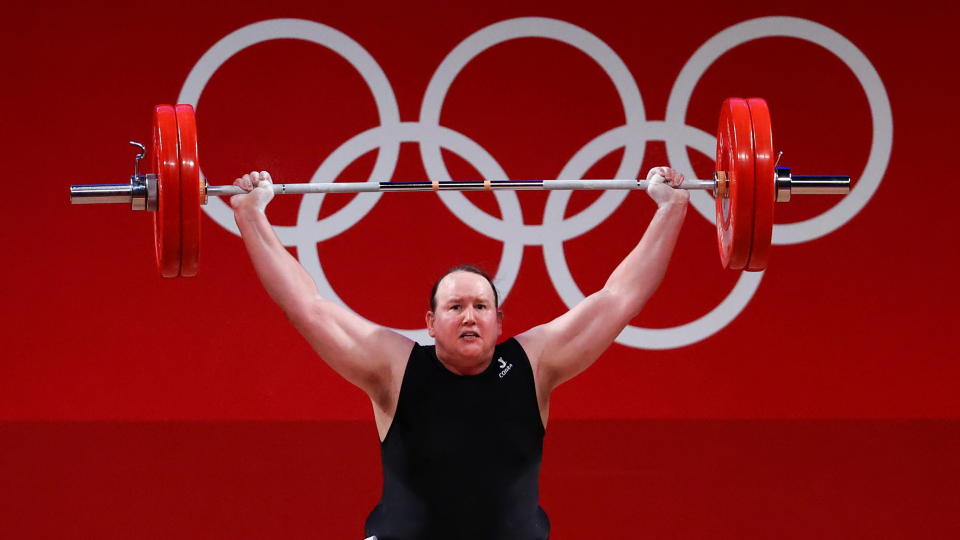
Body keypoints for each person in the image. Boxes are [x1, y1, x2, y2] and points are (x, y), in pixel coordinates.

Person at [229, 167, 689, 540]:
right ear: (429, 323)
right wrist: (251, 216)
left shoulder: (535, 363)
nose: (469, 317)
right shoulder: (393, 368)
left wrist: (671, 210)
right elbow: (306, 306)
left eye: (480, 307)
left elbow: (618, 299)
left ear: (499, 322)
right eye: (455, 307)